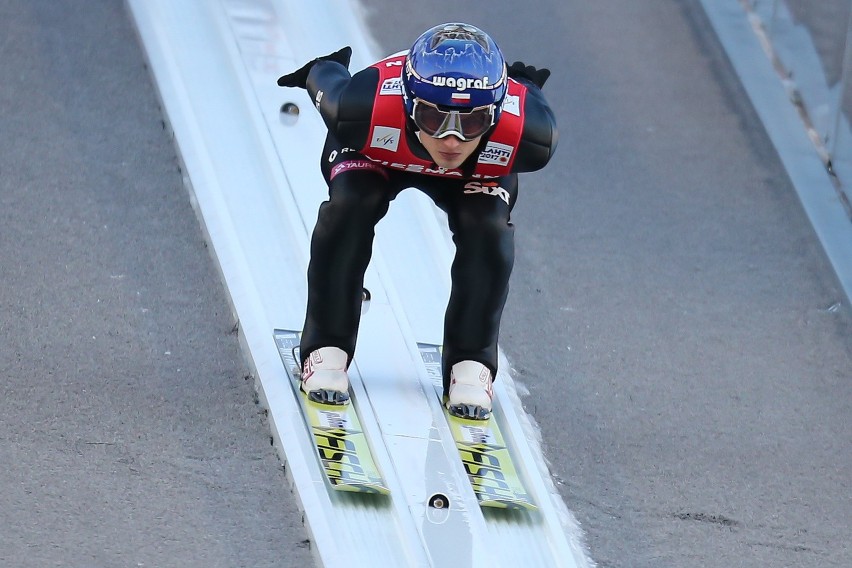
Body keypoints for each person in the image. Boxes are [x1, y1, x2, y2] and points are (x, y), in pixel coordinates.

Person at [277, 22, 557, 420]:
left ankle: (471, 361)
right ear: (408, 104)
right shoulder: (360, 108)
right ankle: (327, 347)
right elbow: (325, 73)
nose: (451, 139)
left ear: (495, 116)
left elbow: (530, 94)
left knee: (488, 228)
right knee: (352, 205)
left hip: (474, 175)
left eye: (472, 122)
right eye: (432, 116)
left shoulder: (531, 135)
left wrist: (525, 82)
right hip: (376, 153)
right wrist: (322, 68)